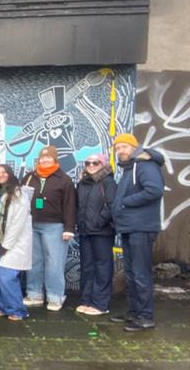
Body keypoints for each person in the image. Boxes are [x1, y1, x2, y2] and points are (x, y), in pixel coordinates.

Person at [108, 133, 165, 331]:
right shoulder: (129, 167)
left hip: (141, 227)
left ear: (134, 147)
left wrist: (125, 202)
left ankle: (145, 317)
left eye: (124, 147)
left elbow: (154, 191)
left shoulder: (145, 166)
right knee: (132, 273)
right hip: (129, 227)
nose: (120, 151)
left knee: (140, 273)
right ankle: (134, 312)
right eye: (117, 148)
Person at [22, 145, 76, 311]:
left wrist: (69, 228)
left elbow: (70, 205)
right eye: (42, 158)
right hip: (32, 225)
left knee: (54, 262)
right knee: (34, 262)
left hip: (55, 226)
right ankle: (34, 293)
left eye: (48, 158)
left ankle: (55, 296)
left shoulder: (64, 179)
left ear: (55, 160)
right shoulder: (29, 177)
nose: (45, 160)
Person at [0, 164, 33, 321]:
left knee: (6, 277)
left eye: (3, 172)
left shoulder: (19, 194)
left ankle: (18, 310)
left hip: (13, 243)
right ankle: (2, 306)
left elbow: (17, 224)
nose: (0, 175)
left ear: (10, 174)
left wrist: (7, 245)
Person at [75, 153, 117, 316]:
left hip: (102, 233)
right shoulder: (83, 184)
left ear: (103, 164)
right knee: (87, 267)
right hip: (86, 232)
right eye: (88, 163)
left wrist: (98, 222)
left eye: (95, 163)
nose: (91, 165)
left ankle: (100, 304)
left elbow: (112, 206)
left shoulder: (108, 182)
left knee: (102, 267)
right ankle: (86, 300)